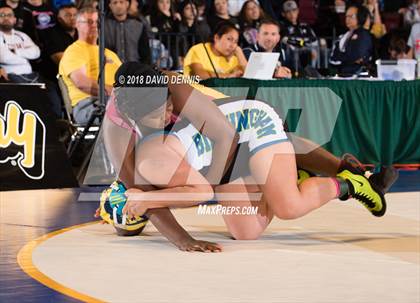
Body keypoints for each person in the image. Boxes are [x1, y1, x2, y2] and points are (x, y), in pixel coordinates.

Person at [97, 62, 397, 251]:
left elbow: (226, 137)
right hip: (213, 147)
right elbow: (152, 191)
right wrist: (181, 237)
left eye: (167, 106)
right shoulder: (119, 132)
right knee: (245, 232)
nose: (166, 113)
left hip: (243, 124)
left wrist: (182, 219)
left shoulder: (169, 87)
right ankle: (290, 176)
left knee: (288, 203)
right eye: (157, 113)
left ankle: (351, 180)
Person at [59, 7, 122, 124]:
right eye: (88, 22)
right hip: (89, 104)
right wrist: (117, 93)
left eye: (96, 22)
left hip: (118, 102)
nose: (94, 25)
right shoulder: (74, 51)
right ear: (76, 24)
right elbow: (82, 83)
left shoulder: (110, 53)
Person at [183, 21, 247, 79]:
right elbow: (200, 76)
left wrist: (240, 54)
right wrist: (228, 76)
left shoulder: (234, 58)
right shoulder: (198, 50)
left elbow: (249, 78)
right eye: (229, 39)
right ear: (216, 38)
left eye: (235, 41)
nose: (232, 45)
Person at [330, 4, 373, 76]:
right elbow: (333, 58)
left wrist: (342, 58)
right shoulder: (343, 36)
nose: (347, 19)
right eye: (346, 16)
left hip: (359, 75)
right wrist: (348, 59)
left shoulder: (364, 35)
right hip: (343, 74)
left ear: (360, 17)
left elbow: (358, 56)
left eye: (351, 16)